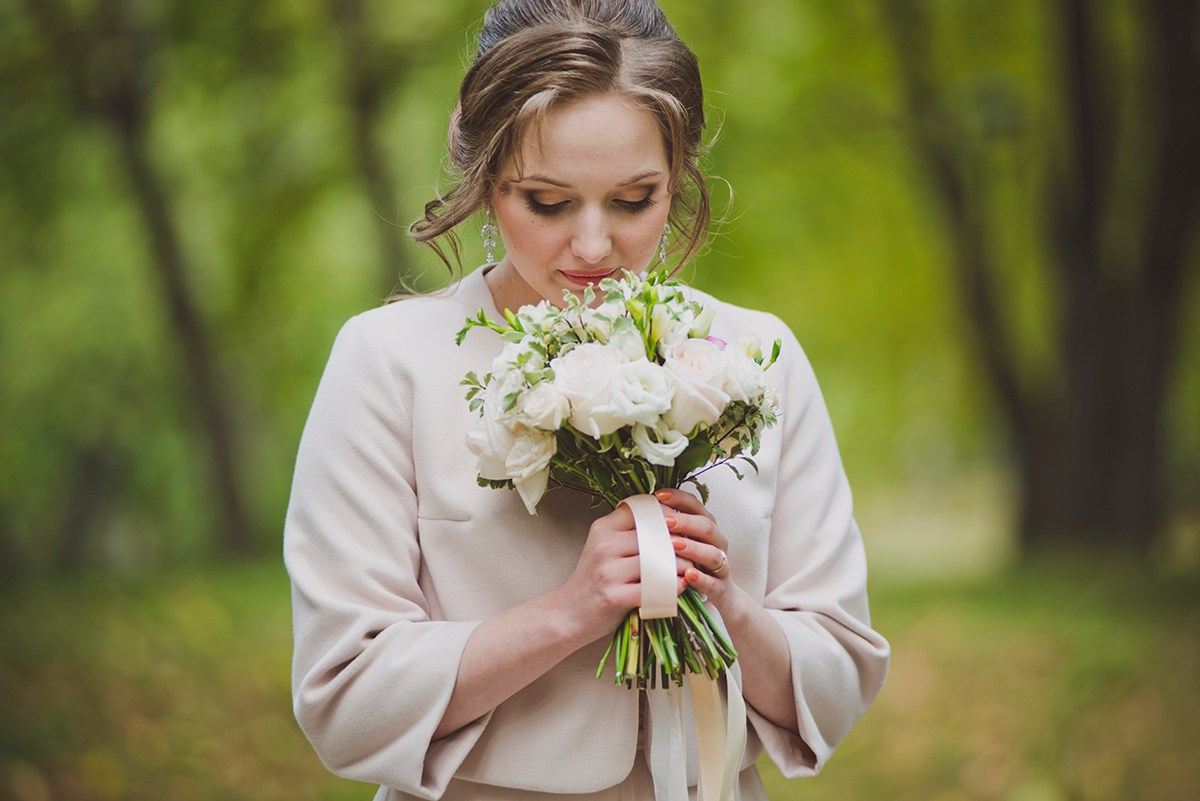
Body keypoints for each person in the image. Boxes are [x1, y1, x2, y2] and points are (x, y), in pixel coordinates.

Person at [283, 1, 889, 799]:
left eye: (635, 200)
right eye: (547, 202)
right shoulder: (387, 362)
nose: (595, 247)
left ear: (678, 179)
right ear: (485, 181)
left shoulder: (753, 358)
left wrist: (722, 600)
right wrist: (569, 611)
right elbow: (342, 699)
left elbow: (841, 677)